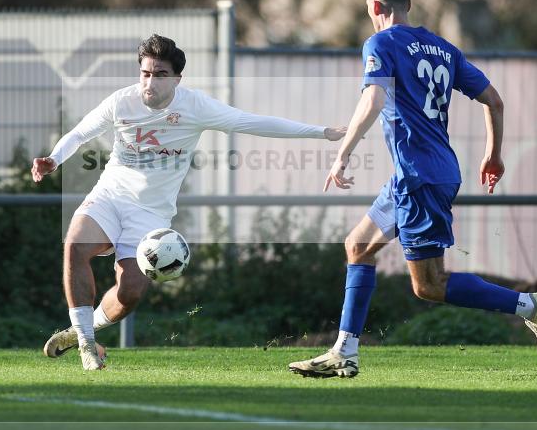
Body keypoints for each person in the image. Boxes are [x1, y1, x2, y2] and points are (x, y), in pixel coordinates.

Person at [288, 0, 537, 379]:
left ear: (375, 7)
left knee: (428, 285)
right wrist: (493, 156)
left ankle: (531, 305)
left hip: (421, 178)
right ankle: (345, 351)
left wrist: (343, 152)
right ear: (408, 5)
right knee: (358, 245)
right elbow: (495, 102)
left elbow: (374, 99)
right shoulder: (443, 48)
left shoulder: (379, 43)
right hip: (419, 175)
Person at [33, 33, 345, 370]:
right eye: (145, 73)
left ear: (177, 79)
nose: (150, 82)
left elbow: (252, 122)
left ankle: (82, 330)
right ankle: (87, 347)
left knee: (130, 295)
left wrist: (321, 132)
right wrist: (54, 158)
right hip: (109, 196)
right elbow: (81, 132)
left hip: (150, 214)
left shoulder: (195, 107)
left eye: (160, 74)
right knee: (75, 246)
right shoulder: (121, 102)